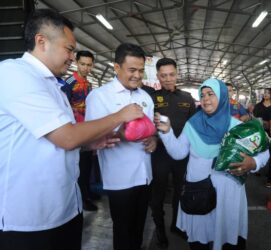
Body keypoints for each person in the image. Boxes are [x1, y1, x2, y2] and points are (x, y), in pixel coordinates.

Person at [0, 10, 144, 250]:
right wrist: (120, 115)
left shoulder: (54, 85)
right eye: (69, 49)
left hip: (65, 208)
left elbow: (61, 138)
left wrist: (88, 143)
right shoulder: (14, 74)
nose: (72, 57)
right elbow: (66, 136)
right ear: (41, 41)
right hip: (29, 219)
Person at [155, 78, 269, 250]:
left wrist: (253, 162)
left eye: (210, 94)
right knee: (200, 240)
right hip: (198, 193)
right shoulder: (192, 125)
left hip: (227, 196)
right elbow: (179, 153)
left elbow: (264, 151)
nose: (205, 98)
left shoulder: (238, 126)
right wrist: (167, 133)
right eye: (202, 94)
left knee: (227, 239)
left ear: (222, 97)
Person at [85, 43, 157, 250]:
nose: (137, 75)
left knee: (138, 229)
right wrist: (122, 132)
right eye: (132, 70)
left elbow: (150, 129)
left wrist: (153, 140)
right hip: (120, 179)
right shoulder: (100, 96)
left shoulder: (145, 97)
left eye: (141, 70)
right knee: (123, 231)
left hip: (145, 175)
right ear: (117, 68)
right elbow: (91, 136)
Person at [150, 58, 196, 248]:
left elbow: (193, 128)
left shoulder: (187, 98)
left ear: (177, 74)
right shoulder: (151, 97)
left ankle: (177, 225)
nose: (168, 79)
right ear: (158, 76)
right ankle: (160, 229)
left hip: (182, 155)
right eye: (163, 75)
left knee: (180, 191)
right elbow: (145, 125)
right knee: (157, 194)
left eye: (171, 74)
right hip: (159, 154)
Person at [61, 50, 99, 211]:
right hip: (75, 130)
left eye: (89, 65)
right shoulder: (69, 82)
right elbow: (63, 106)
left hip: (87, 129)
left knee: (87, 162)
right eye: (82, 64)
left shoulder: (89, 83)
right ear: (76, 62)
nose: (86, 68)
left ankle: (87, 191)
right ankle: (82, 197)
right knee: (80, 165)